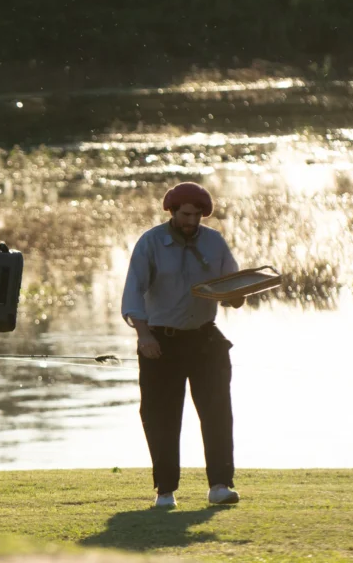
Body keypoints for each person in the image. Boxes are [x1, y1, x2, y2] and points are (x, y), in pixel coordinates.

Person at [121, 182, 244, 508]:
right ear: (172, 212)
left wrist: (237, 296)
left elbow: (232, 290)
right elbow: (133, 294)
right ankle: (165, 491)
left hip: (204, 338)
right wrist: (144, 336)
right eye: (187, 214)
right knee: (161, 416)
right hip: (161, 341)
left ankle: (219, 485)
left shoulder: (215, 242)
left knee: (218, 413)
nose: (193, 221)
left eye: (198, 215)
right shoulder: (151, 243)